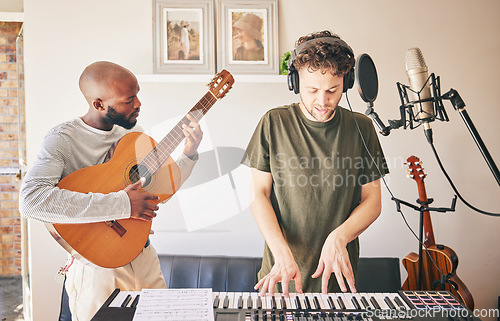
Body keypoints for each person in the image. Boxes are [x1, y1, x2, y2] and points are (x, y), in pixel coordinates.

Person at [19, 61, 202, 321]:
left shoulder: (134, 135)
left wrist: (189, 154)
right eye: (129, 100)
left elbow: (159, 191)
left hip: (144, 256)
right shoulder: (62, 139)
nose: (138, 104)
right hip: (97, 267)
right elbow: (32, 200)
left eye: (138, 95)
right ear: (99, 104)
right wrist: (123, 204)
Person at [242, 30, 389, 296]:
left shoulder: (363, 128)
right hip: (280, 277)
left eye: (332, 90)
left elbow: (373, 201)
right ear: (295, 83)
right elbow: (258, 195)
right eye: (312, 90)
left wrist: (339, 237)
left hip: (338, 283)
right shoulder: (273, 123)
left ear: (346, 82)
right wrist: (280, 251)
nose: (322, 101)